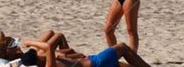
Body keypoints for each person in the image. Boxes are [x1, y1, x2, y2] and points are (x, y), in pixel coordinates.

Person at [23, 29, 152, 67]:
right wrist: (30, 42)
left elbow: (56, 36)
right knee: (123, 47)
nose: (42, 54)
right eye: (39, 55)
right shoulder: (48, 66)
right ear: (37, 60)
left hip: (92, 60)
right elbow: (47, 46)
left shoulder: (47, 62)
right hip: (96, 63)